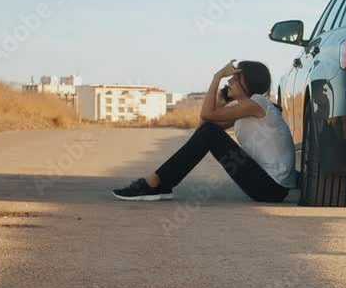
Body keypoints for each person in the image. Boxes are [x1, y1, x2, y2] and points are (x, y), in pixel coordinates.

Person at [112, 60, 298, 203]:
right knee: (209, 132)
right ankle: (160, 183)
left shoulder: (258, 103)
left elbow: (207, 120)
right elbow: (202, 131)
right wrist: (220, 103)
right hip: (268, 186)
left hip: (271, 187)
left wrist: (216, 77)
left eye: (236, 77)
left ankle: (155, 183)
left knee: (210, 132)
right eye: (230, 77)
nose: (230, 80)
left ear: (249, 84)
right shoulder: (245, 111)